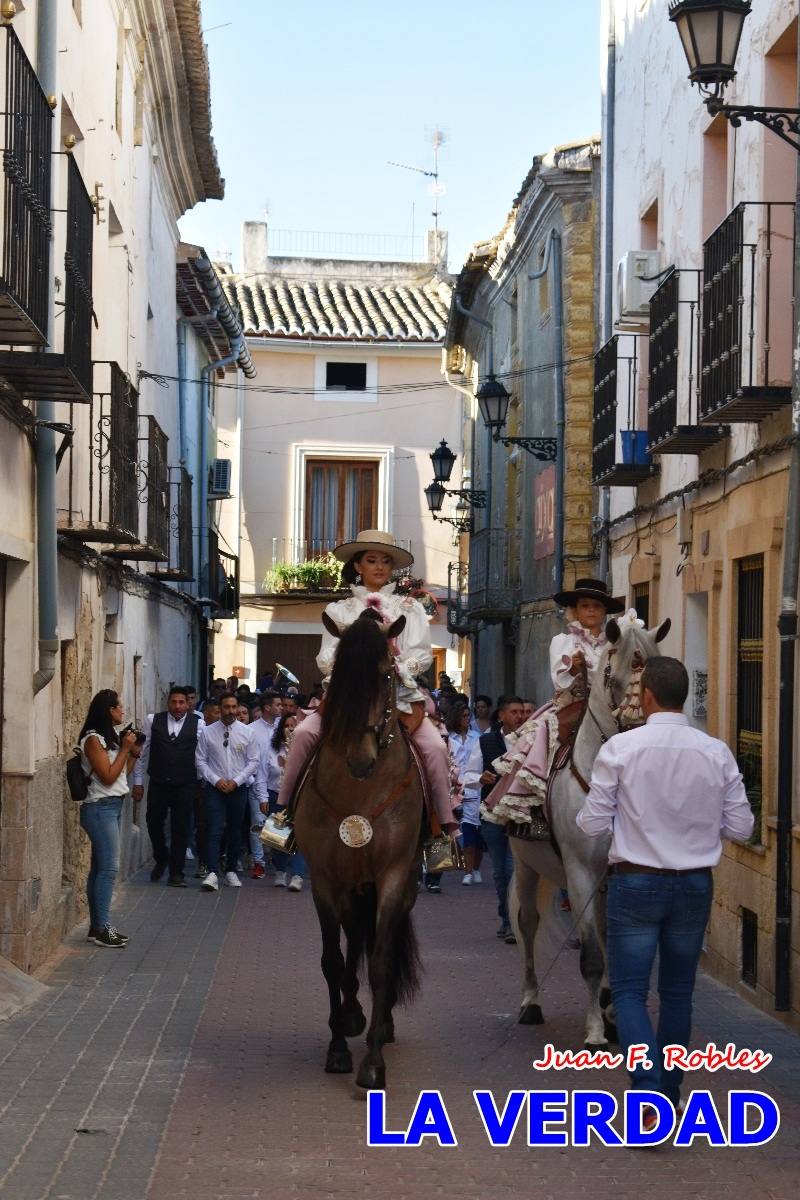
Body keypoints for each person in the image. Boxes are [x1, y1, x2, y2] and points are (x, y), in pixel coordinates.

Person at [576, 656, 754, 1117]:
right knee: (678, 994)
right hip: (694, 884)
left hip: (635, 883)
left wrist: (630, 821)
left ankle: (647, 1092)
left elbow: (592, 822)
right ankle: (668, 1095)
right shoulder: (716, 752)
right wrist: (696, 828)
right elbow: (742, 826)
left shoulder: (619, 749)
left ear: (647, 696)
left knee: (631, 993)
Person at [277, 530, 456, 835]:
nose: (379, 567)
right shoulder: (339, 611)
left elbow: (422, 656)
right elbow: (325, 658)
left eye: (385, 561)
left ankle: (442, 831)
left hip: (398, 696)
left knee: (437, 748)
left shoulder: (410, 609)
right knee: (305, 733)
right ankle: (283, 817)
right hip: (346, 699)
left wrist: (395, 665)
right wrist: (355, 668)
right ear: (358, 566)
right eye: (371, 560)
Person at [483, 579, 625, 829]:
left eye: (597, 606)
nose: (591, 610)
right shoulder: (563, 641)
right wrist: (574, 667)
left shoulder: (614, 643)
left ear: (605, 612)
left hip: (611, 709)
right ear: (575, 610)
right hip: (572, 704)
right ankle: (537, 812)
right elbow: (559, 679)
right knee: (543, 739)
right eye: (585, 606)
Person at [78, 690, 142, 947]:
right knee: (109, 869)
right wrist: (125, 748)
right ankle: (103, 928)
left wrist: (133, 752)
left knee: (99, 869)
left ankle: (96, 927)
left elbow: (120, 775)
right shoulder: (93, 740)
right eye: (119, 707)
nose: (122, 711)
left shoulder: (109, 739)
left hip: (113, 805)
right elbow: (106, 776)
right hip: (99, 808)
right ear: (108, 710)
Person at [463, 697, 526, 938]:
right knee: (500, 871)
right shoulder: (486, 741)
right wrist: (480, 779)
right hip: (492, 815)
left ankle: (512, 922)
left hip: (521, 815)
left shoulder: (533, 742)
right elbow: (469, 773)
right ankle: (505, 915)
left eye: (522, 712)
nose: (519, 716)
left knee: (513, 868)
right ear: (502, 715)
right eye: (514, 712)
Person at [133, 685, 202, 888]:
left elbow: (202, 756)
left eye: (182, 702)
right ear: (168, 702)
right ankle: (161, 856)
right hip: (158, 781)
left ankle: (176, 872)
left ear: (188, 704)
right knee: (153, 821)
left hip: (185, 784)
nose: (178, 706)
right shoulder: (153, 720)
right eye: (174, 702)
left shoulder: (198, 725)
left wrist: (202, 783)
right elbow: (141, 753)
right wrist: (138, 783)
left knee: (180, 828)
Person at [195, 693, 259, 891]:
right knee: (214, 828)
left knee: (235, 829)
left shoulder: (247, 732)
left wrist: (237, 781)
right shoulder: (207, 732)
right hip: (216, 788)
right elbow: (200, 761)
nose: (231, 711)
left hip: (238, 788)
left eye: (234, 707)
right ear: (220, 708)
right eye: (226, 707)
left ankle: (231, 870)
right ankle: (213, 872)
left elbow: (253, 762)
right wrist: (216, 780)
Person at [254, 713, 307, 890]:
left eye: (294, 725)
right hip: (276, 795)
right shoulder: (271, 748)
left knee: (300, 836)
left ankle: (298, 875)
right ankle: (280, 871)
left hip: (299, 796)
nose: (291, 729)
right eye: (287, 725)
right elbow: (262, 774)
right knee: (278, 837)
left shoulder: (305, 747)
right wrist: (263, 797)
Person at [446, 703, 482, 886]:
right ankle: (465, 868)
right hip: (454, 787)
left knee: (473, 828)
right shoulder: (448, 738)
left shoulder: (477, 737)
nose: (467, 719)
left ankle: (473, 869)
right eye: (463, 716)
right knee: (459, 828)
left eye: (468, 715)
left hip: (474, 785)